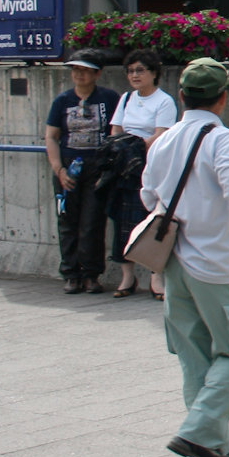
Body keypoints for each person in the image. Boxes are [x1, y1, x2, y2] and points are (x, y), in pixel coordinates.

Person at [139, 57, 229, 457]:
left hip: (174, 264)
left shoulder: (163, 141)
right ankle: (200, 431)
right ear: (222, 99)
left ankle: (217, 443)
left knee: (194, 353)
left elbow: (149, 197)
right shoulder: (221, 138)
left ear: (182, 96)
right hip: (218, 262)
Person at [45, 54, 120, 295]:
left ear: (97, 73)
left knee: (92, 221)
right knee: (67, 220)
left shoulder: (108, 99)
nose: (79, 74)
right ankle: (70, 272)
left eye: (86, 70)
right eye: (75, 69)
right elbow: (51, 136)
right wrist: (59, 169)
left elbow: (116, 134)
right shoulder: (62, 100)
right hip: (69, 165)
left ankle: (91, 273)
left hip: (97, 166)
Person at [109, 49, 178, 299]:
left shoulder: (164, 101)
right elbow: (115, 129)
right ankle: (127, 276)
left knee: (151, 220)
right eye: (130, 71)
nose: (135, 75)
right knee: (122, 221)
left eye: (140, 70)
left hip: (150, 166)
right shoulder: (126, 99)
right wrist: (121, 149)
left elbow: (161, 134)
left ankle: (155, 276)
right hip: (124, 168)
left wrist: (135, 147)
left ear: (154, 73)